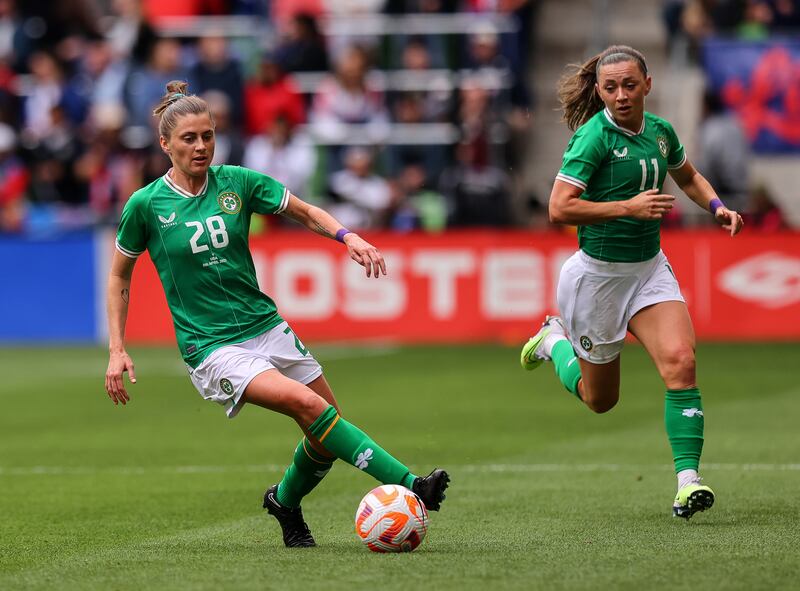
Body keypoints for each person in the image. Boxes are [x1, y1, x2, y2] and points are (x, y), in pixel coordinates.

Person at [104, 81, 449, 548]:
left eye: (207, 135)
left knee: (328, 433)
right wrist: (117, 348)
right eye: (189, 138)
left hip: (265, 325)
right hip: (212, 346)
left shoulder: (239, 182)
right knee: (313, 408)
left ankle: (284, 502)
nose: (201, 146)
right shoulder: (146, 205)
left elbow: (305, 212)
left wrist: (349, 237)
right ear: (165, 144)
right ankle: (413, 485)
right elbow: (120, 275)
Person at [519, 46, 743, 520]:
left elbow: (688, 175)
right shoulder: (593, 138)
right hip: (596, 279)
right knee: (601, 401)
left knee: (681, 363)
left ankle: (688, 482)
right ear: (599, 91)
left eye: (629, 85)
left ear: (648, 84)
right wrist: (627, 207)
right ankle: (553, 342)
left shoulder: (660, 132)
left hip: (648, 270)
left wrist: (717, 206)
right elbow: (559, 208)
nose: (621, 95)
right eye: (610, 87)